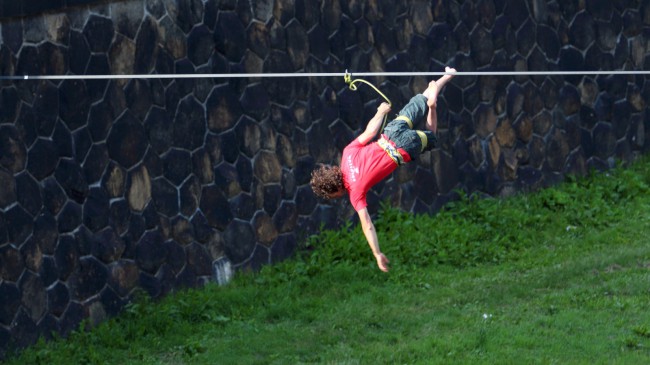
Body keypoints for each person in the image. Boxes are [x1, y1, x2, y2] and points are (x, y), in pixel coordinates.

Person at [310, 67, 457, 272]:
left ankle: (433, 107)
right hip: (390, 132)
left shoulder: (355, 193)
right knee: (420, 98)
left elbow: (367, 225)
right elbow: (371, 131)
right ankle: (446, 77)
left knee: (432, 138)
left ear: (335, 190)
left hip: (402, 148)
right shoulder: (347, 154)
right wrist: (380, 112)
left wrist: (377, 253)